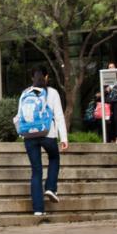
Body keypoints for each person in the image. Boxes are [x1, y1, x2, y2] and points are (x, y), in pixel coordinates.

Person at [14, 67, 68, 216]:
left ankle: (38, 209)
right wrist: (64, 138)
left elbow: (18, 117)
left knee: (36, 171)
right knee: (54, 157)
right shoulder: (52, 92)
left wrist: (23, 133)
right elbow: (58, 116)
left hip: (29, 137)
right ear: (46, 77)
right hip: (47, 134)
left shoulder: (25, 93)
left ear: (33, 78)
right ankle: (51, 187)